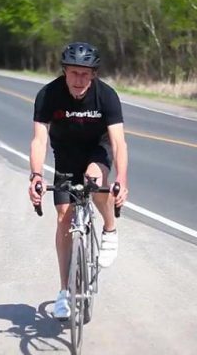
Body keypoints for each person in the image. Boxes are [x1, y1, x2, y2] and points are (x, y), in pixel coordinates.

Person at [28, 42, 129, 319]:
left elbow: (118, 142)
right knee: (63, 218)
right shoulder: (48, 95)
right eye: (73, 73)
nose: (79, 80)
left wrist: (121, 178)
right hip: (66, 156)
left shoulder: (106, 96)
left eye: (85, 74)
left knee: (94, 179)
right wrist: (36, 175)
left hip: (97, 150)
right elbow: (39, 139)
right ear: (64, 72)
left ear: (94, 74)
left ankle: (109, 228)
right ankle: (64, 292)